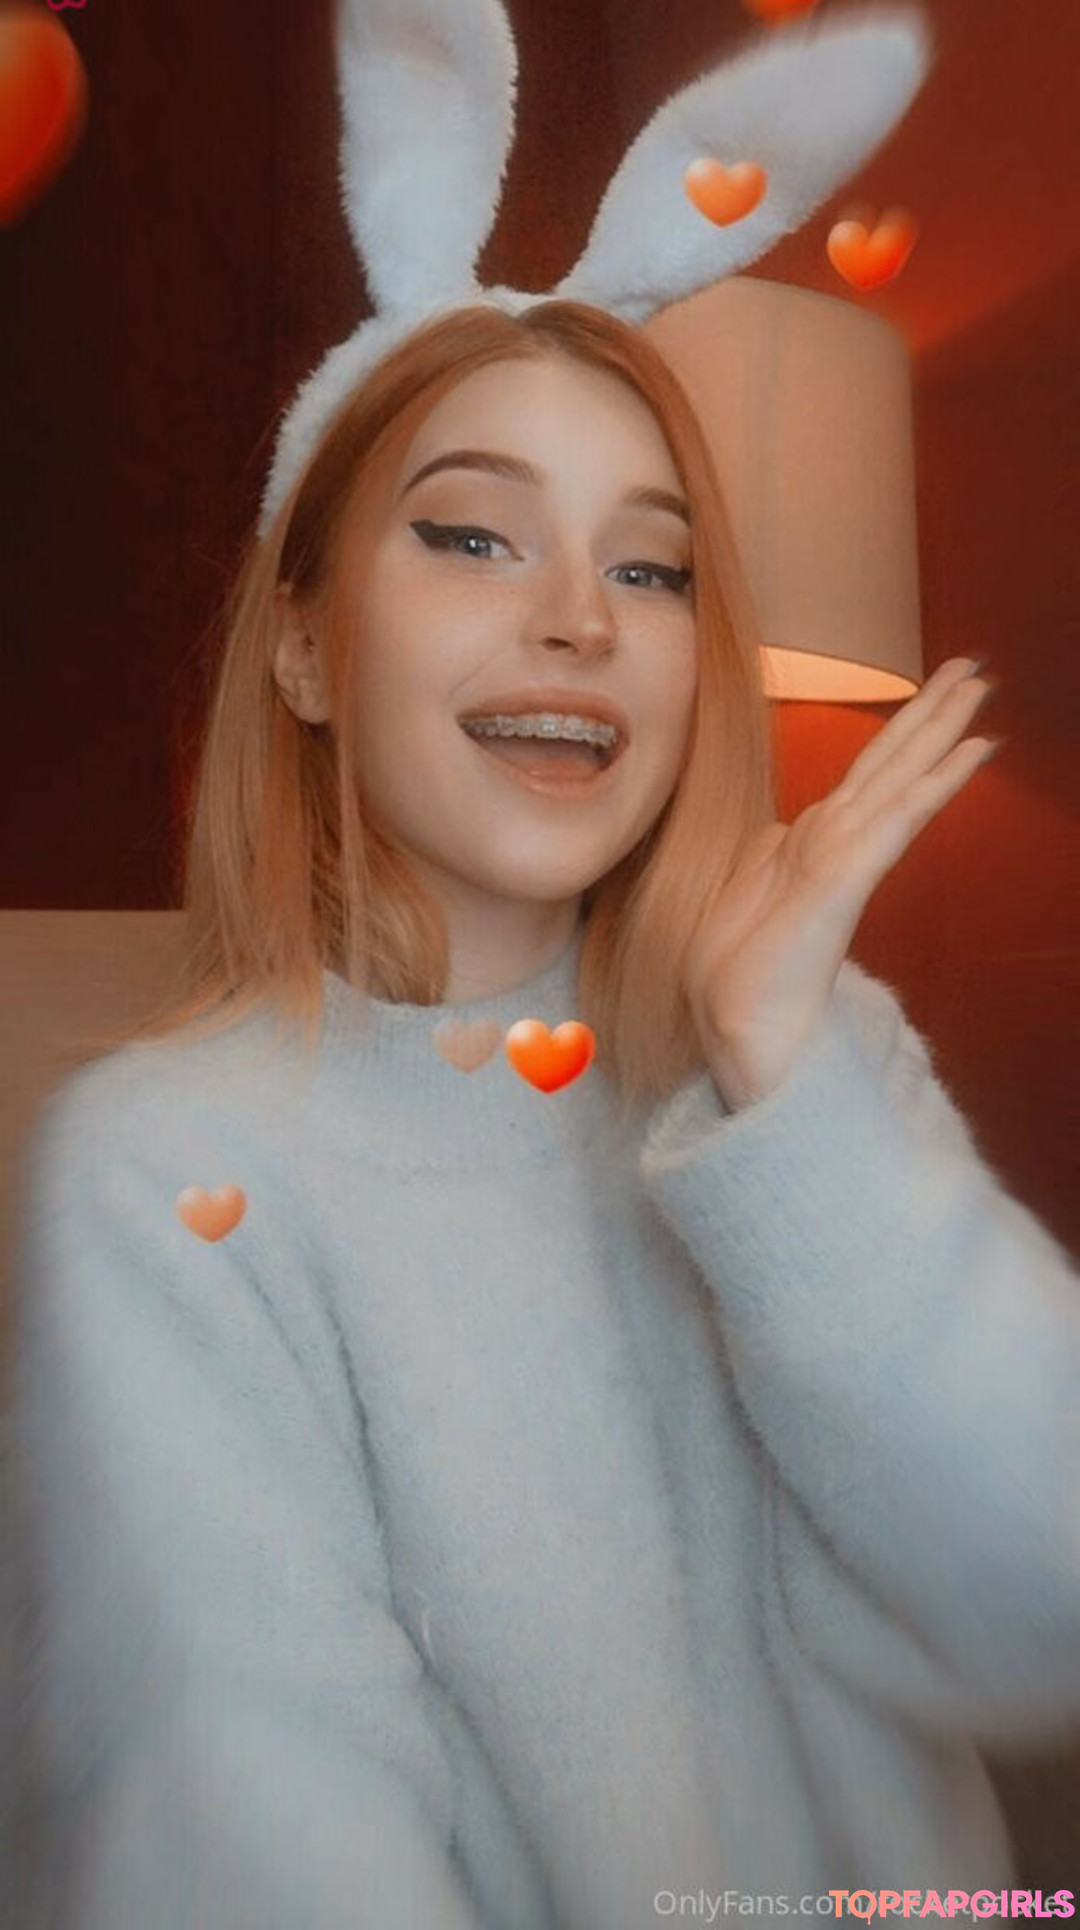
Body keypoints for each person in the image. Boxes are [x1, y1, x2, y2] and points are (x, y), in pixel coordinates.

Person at [6, 296, 1080, 1930]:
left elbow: (1050, 1607)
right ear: (302, 646)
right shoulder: (168, 1175)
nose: (581, 619)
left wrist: (785, 1085)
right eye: (472, 538)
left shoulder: (802, 1051)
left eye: (650, 568)